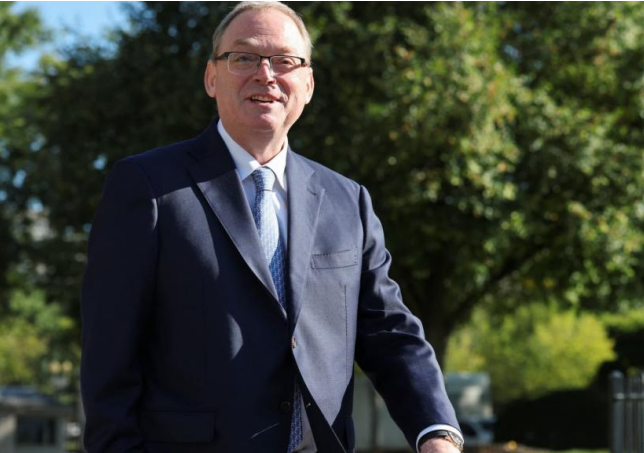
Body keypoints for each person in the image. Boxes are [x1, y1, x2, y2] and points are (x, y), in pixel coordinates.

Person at [80, 2, 463, 452]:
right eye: (243, 57)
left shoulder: (348, 201)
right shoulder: (147, 187)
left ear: (308, 84)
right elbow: (109, 354)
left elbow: (389, 332)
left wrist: (436, 432)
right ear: (211, 78)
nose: (265, 74)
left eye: (285, 61)